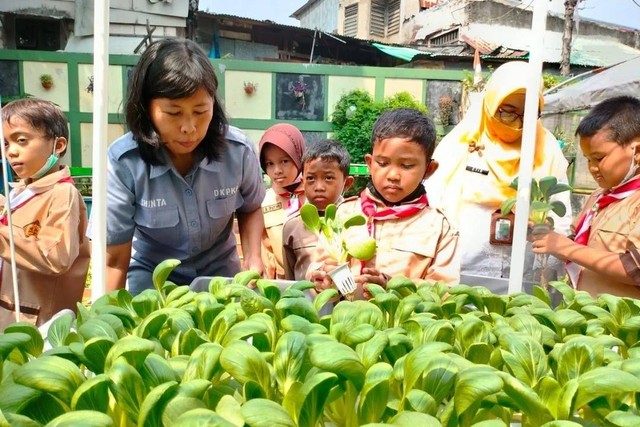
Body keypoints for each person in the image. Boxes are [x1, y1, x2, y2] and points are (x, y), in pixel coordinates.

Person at [104, 39, 265, 295]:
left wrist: (254, 257)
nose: (189, 127)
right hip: (153, 282)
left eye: (201, 111)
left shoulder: (238, 151)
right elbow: (114, 258)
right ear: (146, 108)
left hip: (220, 278)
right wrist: (108, 314)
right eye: (174, 113)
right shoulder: (124, 162)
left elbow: (251, 207)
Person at [425, 61, 572, 292]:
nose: (519, 125)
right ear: (491, 104)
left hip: (521, 274)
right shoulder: (460, 144)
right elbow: (433, 206)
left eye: (529, 114)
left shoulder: (546, 150)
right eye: (509, 113)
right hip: (460, 270)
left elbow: (560, 216)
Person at [308, 108, 459, 298]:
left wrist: (393, 286)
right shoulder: (345, 213)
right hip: (343, 323)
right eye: (383, 163)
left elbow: (446, 292)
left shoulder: (440, 228)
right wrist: (321, 277)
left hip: (403, 326)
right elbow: (317, 270)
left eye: (406, 165)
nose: (393, 175)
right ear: (370, 163)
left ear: (429, 169)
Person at [531, 96, 640, 298]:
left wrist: (566, 247)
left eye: (599, 158)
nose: (592, 168)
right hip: (587, 316)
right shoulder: (600, 196)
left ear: (637, 150)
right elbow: (578, 243)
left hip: (621, 325)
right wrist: (546, 235)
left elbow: (636, 268)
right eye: (588, 159)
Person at [0, 98, 90, 327]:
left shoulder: (62, 194)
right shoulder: (20, 193)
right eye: (7, 144)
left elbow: (56, 257)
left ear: (58, 146)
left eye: (21, 140)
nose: (11, 152)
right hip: (12, 315)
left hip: (38, 324)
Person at [283, 139, 353, 281]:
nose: (319, 187)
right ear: (303, 182)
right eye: (310, 178)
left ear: (347, 183)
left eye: (328, 178)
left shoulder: (354, 222)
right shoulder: (291, 226)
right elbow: (290, 277)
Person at [259, 123, 306, 279]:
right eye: (270, 164)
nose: (277, 170)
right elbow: (265, 249)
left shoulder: (315, 196)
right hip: (282, 284)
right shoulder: (263, 201)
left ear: (298, 157)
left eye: (284, 161)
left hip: (314, 281)